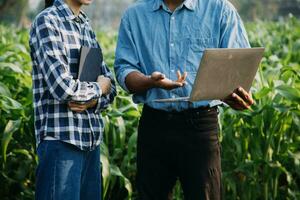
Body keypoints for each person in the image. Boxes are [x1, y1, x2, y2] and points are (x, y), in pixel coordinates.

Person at [114, 0, 254, 199]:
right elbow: (124, 70)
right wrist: (149, 81)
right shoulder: (134, 15)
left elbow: (239, 68)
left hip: (201, 125)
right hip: (154, 126)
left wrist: (236, 96)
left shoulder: (220, 10)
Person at [29, 0, 116, 199]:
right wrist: (99, 88)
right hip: (61, 142)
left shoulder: (85, 26)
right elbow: (63, 87)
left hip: (91, 144)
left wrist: (93, 99)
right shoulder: (48, 22)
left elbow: (111, 88)